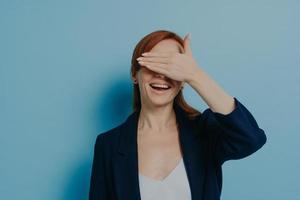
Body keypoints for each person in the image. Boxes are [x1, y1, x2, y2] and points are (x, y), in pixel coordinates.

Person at [89, 30, 267, 200]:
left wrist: (195, 75)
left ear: (182, 81)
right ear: (135, 74)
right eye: (152, 63)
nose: (161, 74)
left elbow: (251, 138)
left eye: (171, 66)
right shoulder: (108, 145)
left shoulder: (205, 131)